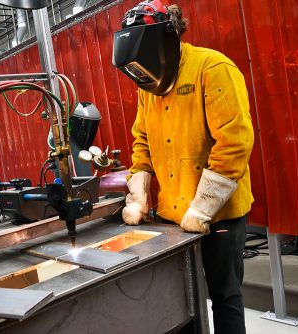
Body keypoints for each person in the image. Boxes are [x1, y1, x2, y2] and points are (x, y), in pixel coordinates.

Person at [113, 1, 254, 333]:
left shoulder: (212, 67)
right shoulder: (149, 83)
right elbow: (142, 140)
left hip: (220, 215)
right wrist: (139, 196)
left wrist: (203, 207)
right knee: (179, 299)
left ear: (168, 39)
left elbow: (234, 143)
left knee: (225, 295)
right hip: (173, 216)